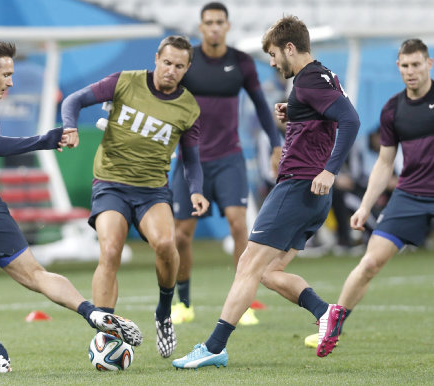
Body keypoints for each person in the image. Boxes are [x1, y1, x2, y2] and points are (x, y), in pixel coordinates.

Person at [0, 38, 142, 374]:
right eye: (6, 74)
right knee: (35, 275)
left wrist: (44, 140)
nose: (11, 82)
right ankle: (91, 312)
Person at [172, 15, 360, 369]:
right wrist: (297, 113)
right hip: (311, 196)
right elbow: (330, 117)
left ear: (290, 47)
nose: (272, 62)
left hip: (298, 186)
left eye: (274, 54)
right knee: (269, 272)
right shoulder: (321, 77)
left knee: (246, 264)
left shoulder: (308, 80)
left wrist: (330, 171)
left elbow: (350, 120)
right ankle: (325, 312)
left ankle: (213, 346)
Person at [60, 35, 209, 359]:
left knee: (167, 245)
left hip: (152, 191)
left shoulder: (188, 108)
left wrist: (196, 190)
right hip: (111, 184)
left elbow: (192, 159)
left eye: (179, 66)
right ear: (156, 58)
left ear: (187, 69)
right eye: (167, 62)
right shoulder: (125, 82)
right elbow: (72, 100)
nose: (171, 70)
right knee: (111, 249)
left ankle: (164, 313)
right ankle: (106, 331)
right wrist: (69, 126)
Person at [313, 38, 434, 357]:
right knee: (370, 262)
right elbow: (383, 163)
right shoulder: (393, 109)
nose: (411, 72)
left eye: (417, 65)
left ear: (429, 64)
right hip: (409, 196)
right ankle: (334, 323)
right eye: (405, 66)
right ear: (399, 67)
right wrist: (365, 206)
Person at [171, 1, 282, 327]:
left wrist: (277, 145)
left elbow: (262, 106)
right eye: (209, 22)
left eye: (220, 22)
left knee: (238, 225)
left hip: (229, 159)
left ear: (227, 26)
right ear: (201, 27)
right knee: (181, 236)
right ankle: (183, 303)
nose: (215, 27)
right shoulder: (186, 62)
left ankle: (242, 303)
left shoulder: (242, 62)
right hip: (191, 162)